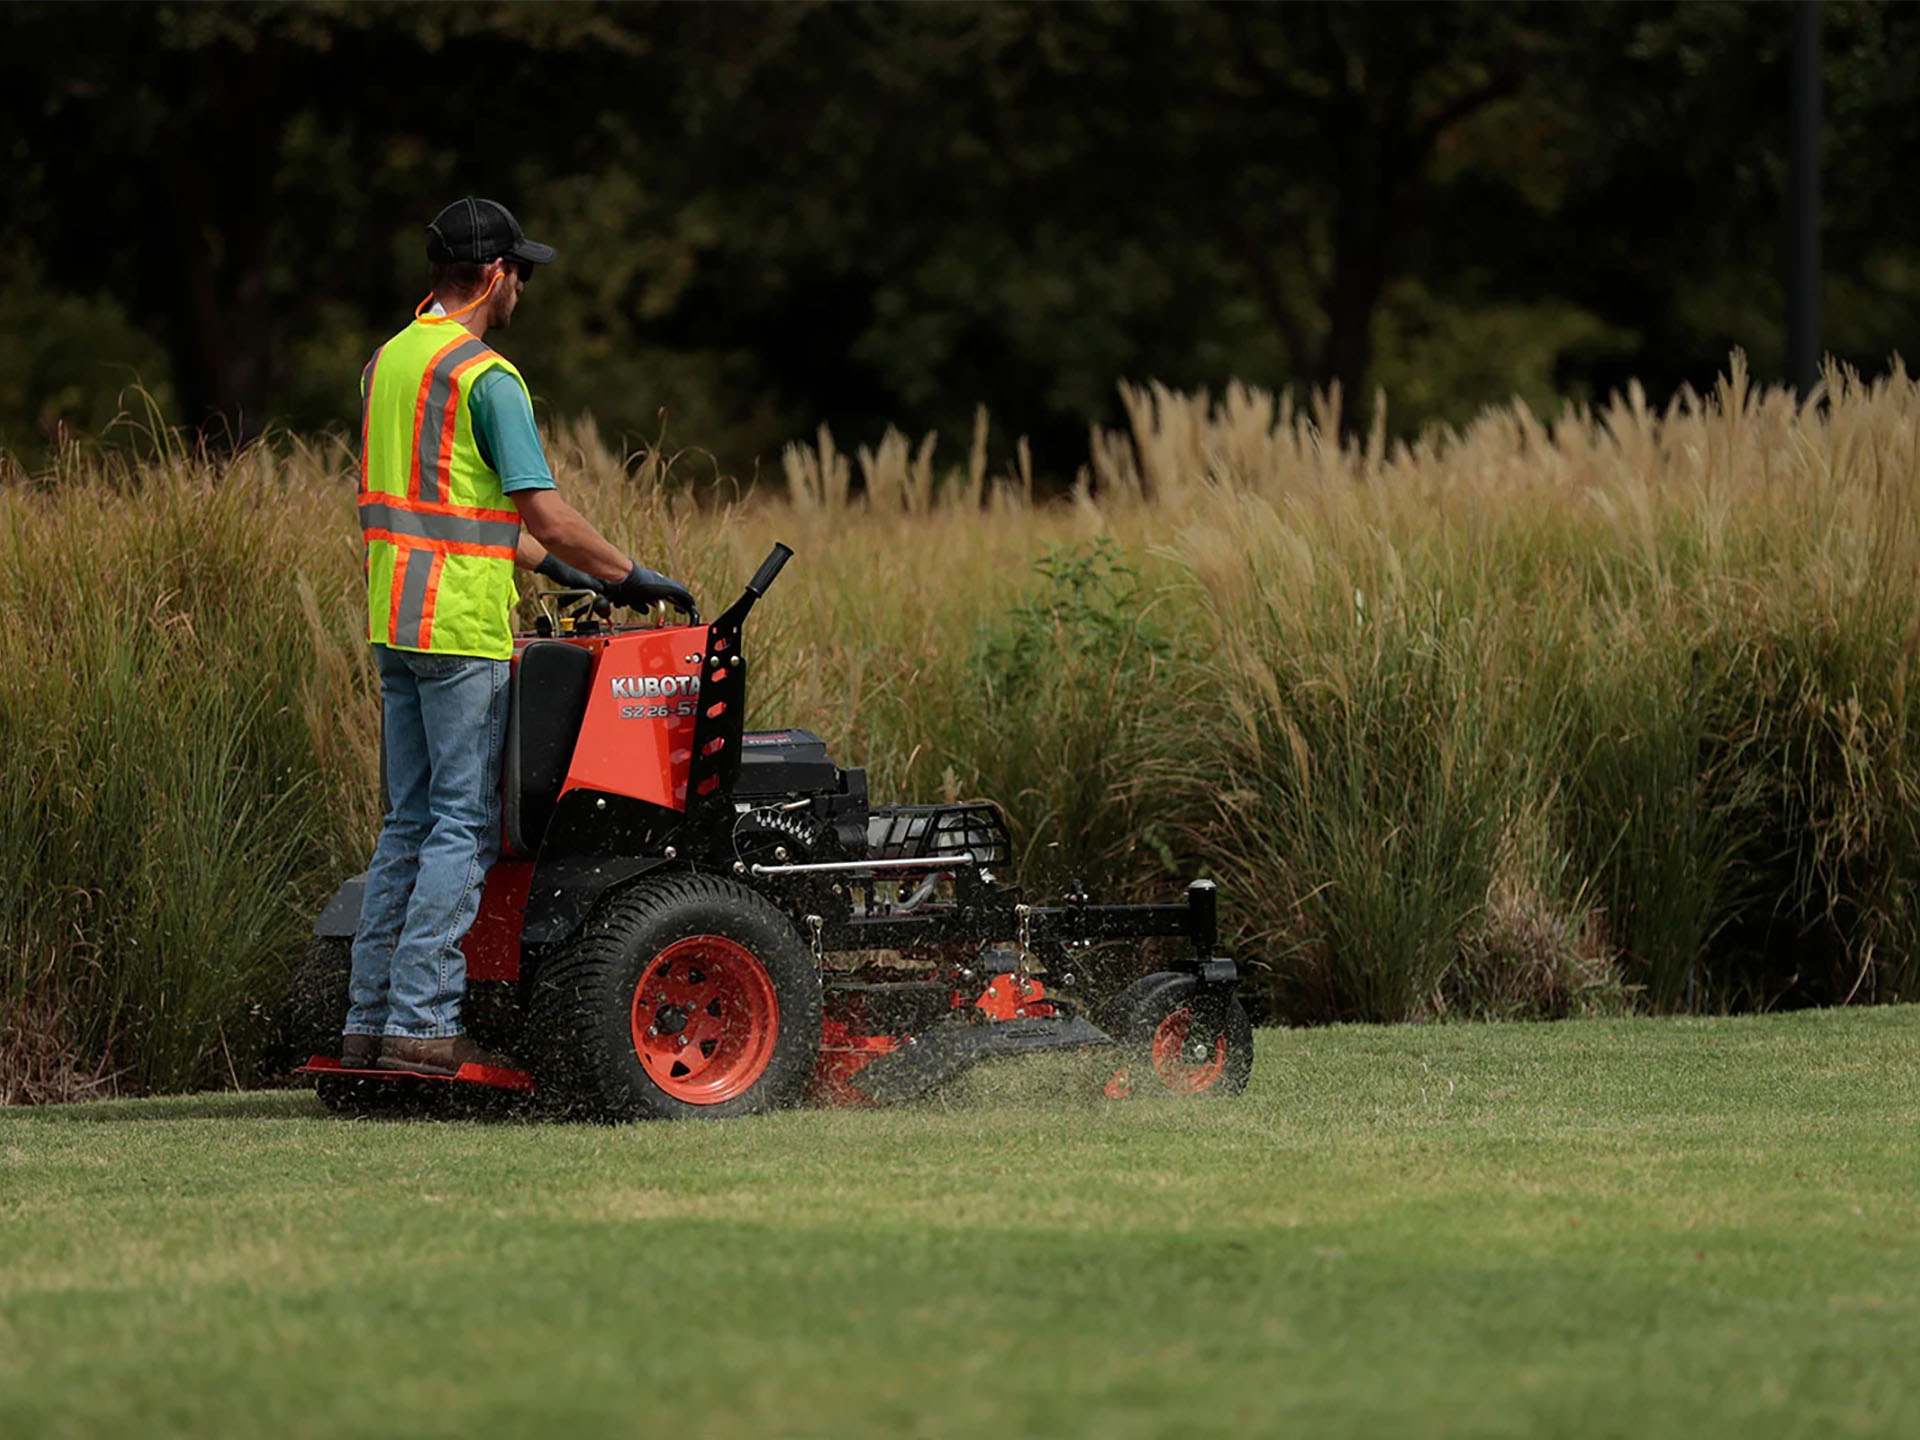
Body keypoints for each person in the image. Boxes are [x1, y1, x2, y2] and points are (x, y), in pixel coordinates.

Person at [344, 196, 695, 1076]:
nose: (522, 291)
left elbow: (448, 504)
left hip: (396, 620)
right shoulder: (487, 376)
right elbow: (541, 506)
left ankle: (368, 1020)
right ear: (495, 275)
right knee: (462, 824)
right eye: (521, 274)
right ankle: (424, 1025)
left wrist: (551, 568)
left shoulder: (388, 363)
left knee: (407, 825)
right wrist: (624, 573)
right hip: (461, 627)